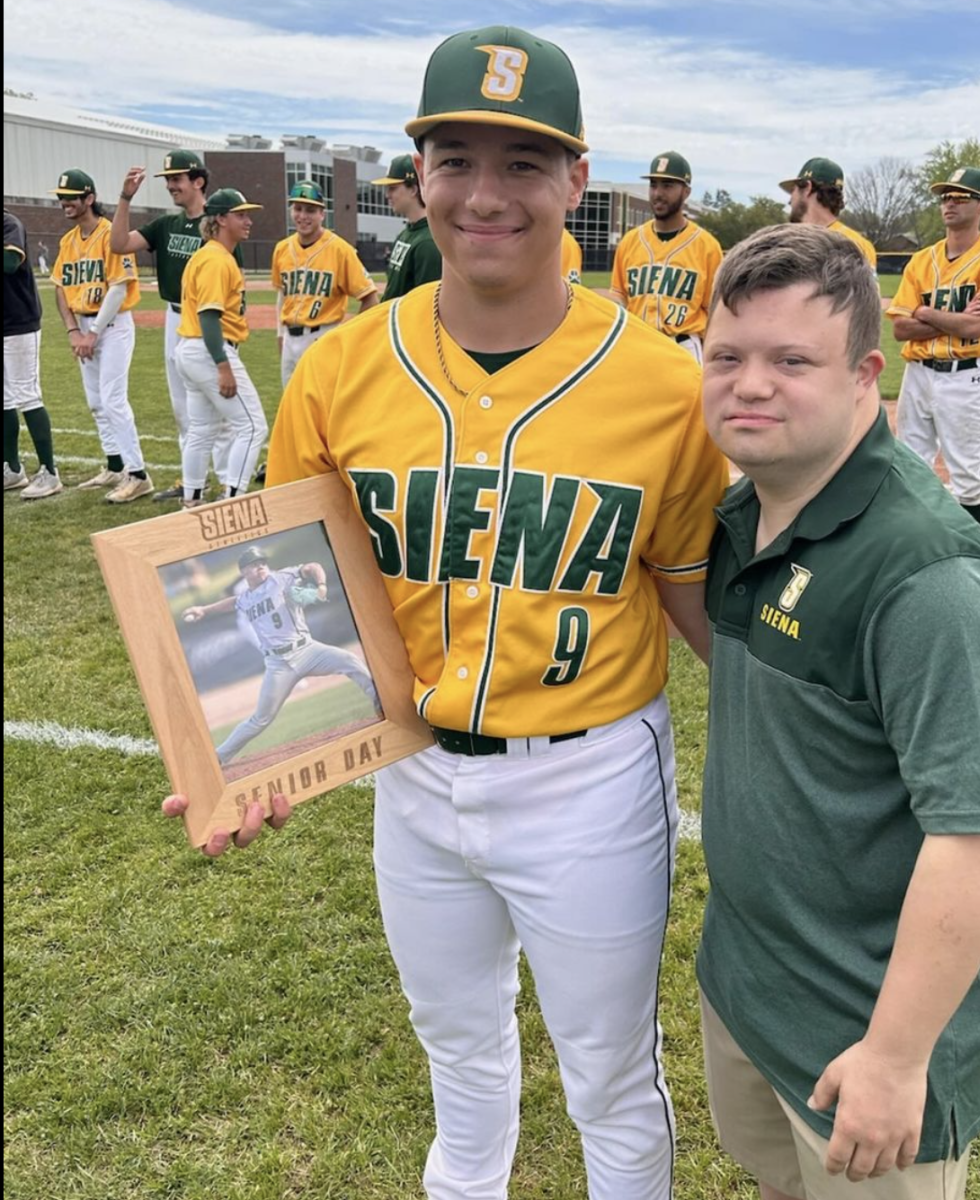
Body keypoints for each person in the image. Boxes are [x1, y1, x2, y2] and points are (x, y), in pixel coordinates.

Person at [165, 24, 726, 1200]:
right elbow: (287, 573)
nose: (486, 194)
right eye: (456, 157)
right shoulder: (336, 367)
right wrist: (241, 748)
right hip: (411, 777)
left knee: (610, 1082)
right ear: (416, 174)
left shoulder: (668, 384)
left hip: (589, 781)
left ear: (578, 183)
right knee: (457, 1057)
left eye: (523, 164)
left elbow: (696, 600)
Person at [698, 223, 980, 1200]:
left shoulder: (932, 581)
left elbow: (975, 842)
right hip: (757, 987)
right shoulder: (751, 511)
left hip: (868, 1029)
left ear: (863, 376)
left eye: (790, 359)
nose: (750, 383)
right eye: (727, 355)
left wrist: (894, 1059)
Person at [886, 167, 980, 526]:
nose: (950, 203)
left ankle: (972, 562)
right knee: (911, 467)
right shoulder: (921, 260)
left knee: (968, 479)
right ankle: (916, 546)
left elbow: (977, 325)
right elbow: (900, 329)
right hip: (917, 376)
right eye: (946, 196)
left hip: (964, 378)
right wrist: (954, 317)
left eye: (961, 196)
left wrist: (924, 311)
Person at [182, 545, 380, 766]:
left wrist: (321, 585)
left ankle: (379, 702)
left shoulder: (280, 578)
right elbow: (232, 603)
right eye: (255, 565)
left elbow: (312, 567)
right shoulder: (245, 598)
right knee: (260, 718)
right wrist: (204, 610)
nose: (261, 567)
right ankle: (219, 756)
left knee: (350, 661)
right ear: (244, 572)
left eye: (263, 563)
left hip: (308, 650)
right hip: (278, 664)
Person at [112, 150, 234, 503]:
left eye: (177, 179)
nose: (170, 186)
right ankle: (192, 481)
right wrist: (125, 198)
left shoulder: (220, 222)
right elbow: (119, 244)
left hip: (210, 320)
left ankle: (228, 485)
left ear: (198, 181)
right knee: (183, 407)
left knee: (220, 405)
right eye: (167, 179)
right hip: (176, 317)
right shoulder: (167, 225)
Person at [50, 168, 153, 503]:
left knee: (112, 399)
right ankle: (114, 464)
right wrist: (73, 331)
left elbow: (119, 288)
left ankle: (138, 474)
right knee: (96, 403)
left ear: (89, 199)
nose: (66, 204)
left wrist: (91, 333)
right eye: (62, 199)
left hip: (111, 326)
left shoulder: (111, 234)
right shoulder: (67, 241)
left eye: (72, 198)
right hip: (83, 326)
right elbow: (61, 290)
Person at [174, 188, 268, 506]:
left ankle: (192, 499)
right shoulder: (215, 259)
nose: (248, 221)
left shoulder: (208, 255)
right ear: (220, 219)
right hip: (209, 349)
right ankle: (233, 500)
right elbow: (209, 317)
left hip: (192, 349)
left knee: (202, 429)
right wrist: (222, 364)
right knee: (253, 426)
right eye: (240, 214)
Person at [610, 151, 724, 362]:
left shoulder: (706, 246)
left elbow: (716, 312)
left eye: (668, 185)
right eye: (654, 184)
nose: (658, 193)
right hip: (636, 342)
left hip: (683, 347)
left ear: (686, 192)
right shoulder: (630, 241)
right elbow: (619, 296)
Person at [271, 180, 379, 388]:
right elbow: (282, 295)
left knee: (323, 409)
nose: (302, 216)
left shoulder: (340, 250)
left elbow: (370, 298)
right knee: (292, 408)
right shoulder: (282, 249)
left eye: (310, 210)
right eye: (298, 209)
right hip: (290, 340)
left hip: (322, 335)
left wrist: (349, 337)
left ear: (322, 214)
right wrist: (280, 334)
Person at [4, 208, 62, 499]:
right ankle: (12, 468)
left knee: (27, 395)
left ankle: (49, 471)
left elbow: (10, 261)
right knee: (3, 399)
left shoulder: (8, 222)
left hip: (18, 321)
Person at [779, 156, 877, 270]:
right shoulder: (860, 245)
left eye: (793, 191)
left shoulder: (788, 245)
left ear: (807, 189)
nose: (790, 200)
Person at [374, 153, 443, 301]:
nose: (387, 195)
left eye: (393, 188)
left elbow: (426, 305)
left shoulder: (428, 242)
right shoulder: (406, 233)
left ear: (413, 189)